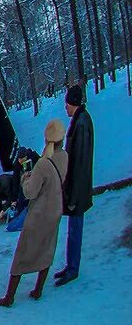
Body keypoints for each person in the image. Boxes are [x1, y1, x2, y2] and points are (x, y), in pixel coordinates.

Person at [0, 119, 68, 307]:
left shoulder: (43, 164)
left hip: (39, 213)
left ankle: (10, 296)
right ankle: (38, 289)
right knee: (47, 248)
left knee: (23, 253)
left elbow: (30, 192)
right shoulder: (64, 157)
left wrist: (25, 177)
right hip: (55, 209)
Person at [56, 82, 94, 287]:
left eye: (67, 104)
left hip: (77, 189)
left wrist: (73, 195)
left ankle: (73, 268)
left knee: (75, 229)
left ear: (74, 103)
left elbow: (80, 163)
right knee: (73, 229)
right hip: (75, 187)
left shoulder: (81, 124)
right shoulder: (80, 121)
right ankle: (70, 264)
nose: (65, 108)